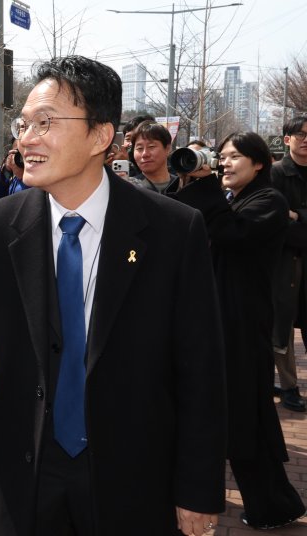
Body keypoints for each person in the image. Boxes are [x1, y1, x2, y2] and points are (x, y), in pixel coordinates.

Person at [0, 55, 226, 536]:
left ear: (100, 136)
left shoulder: (173, 230)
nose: (26, 138)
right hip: (23, 469)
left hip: (131, 474)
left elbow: (201, 366)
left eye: (45, 123)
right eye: (23, 124)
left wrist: (197, 486)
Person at [170, 131, 306, 530]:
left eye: (234, 158)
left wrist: (208, 185)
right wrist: (192, 181)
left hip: (243, 324)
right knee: (240, 416)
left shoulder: (269, 202)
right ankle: (273, 503)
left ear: (259, 162)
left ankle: (272, 504)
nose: (225, 164)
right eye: (221, 157)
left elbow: (231, 233)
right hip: (219, 319)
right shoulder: (233, 199)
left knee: (244, 416)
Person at [271, 114, 307, 412]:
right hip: (284, 262)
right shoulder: (276, 174)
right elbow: (276, 222)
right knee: (281, 327)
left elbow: (292, 219)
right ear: (287, 139)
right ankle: (289, 386)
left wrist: (299, 216)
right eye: (300, 134)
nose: (305, 139)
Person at [128, 120, 177, 193]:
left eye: (151, 146)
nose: (145, 154)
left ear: (167, 149)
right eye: (139, 148)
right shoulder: (130, 188)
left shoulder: (181, 187)